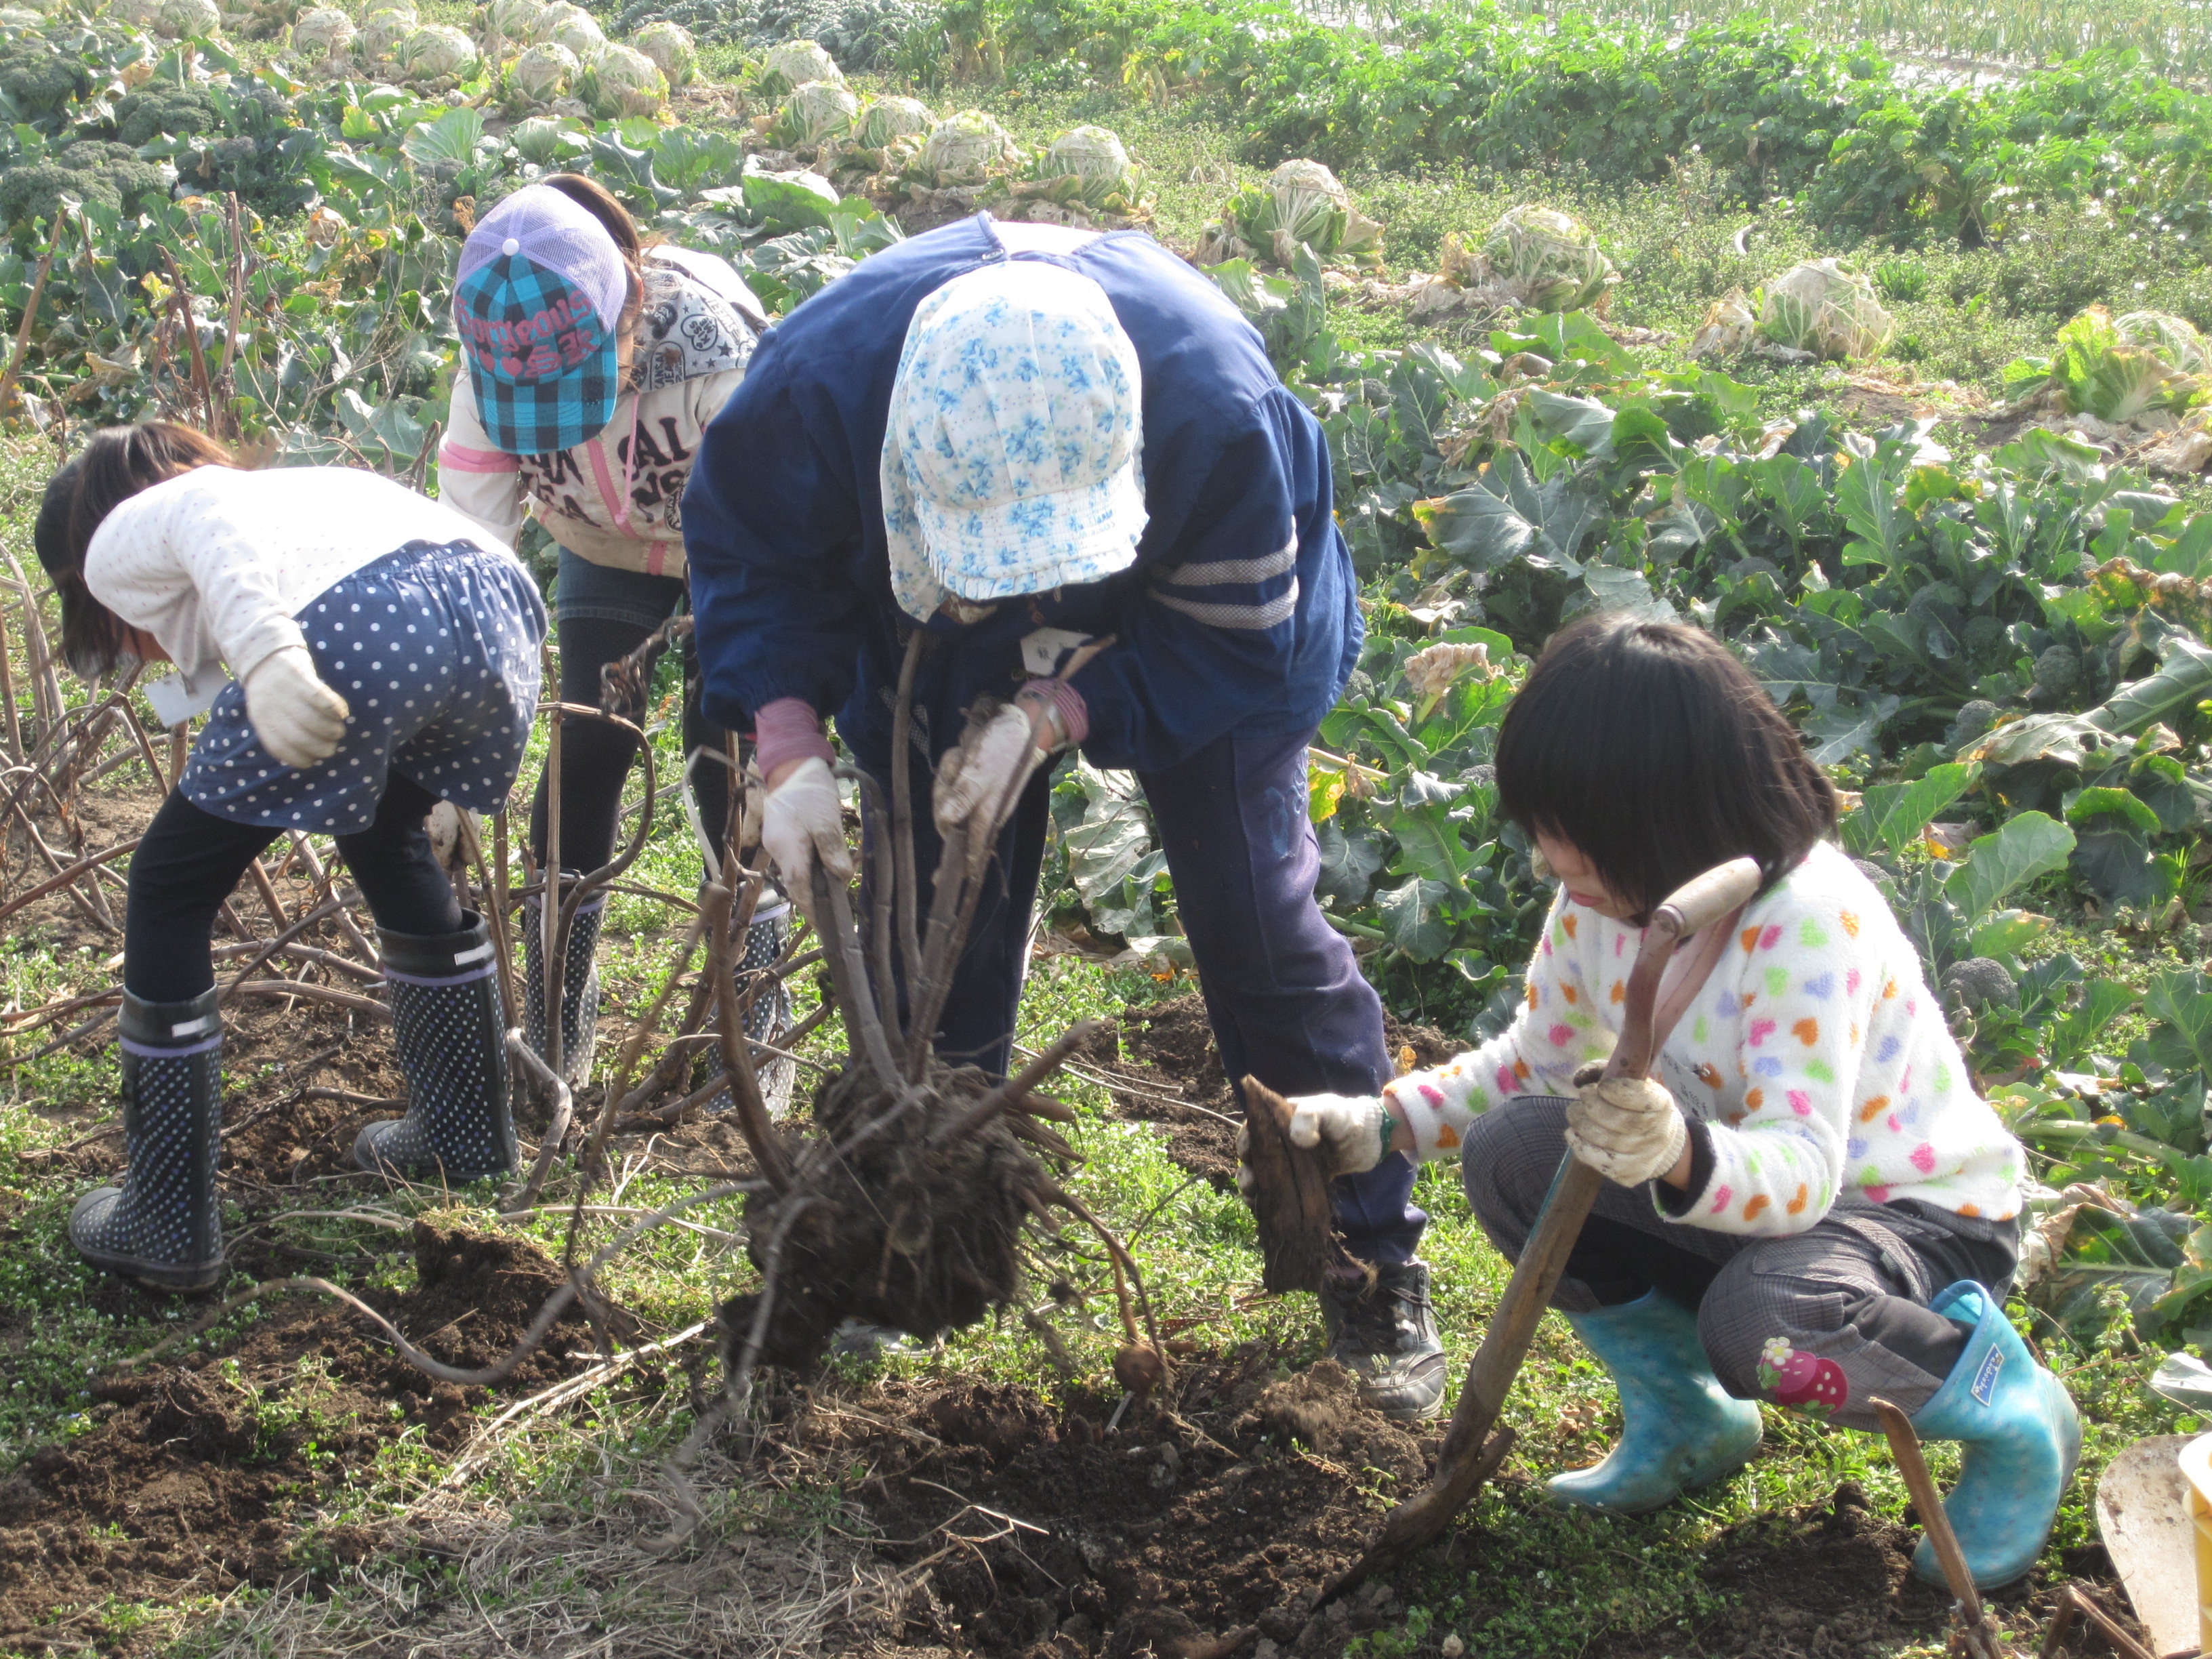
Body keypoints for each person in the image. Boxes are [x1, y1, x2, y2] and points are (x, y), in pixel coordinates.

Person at [682, 215, 1446, 1417]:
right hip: (920, 623)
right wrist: (785, 747)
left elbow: (1232, 642)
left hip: (1201, 630)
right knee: (934, 911)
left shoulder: (1211, 416)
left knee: (1252, 918)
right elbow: (751, 554)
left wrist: (1056, 710)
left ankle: (1364, 1252)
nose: (1021, 591)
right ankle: (917, 1221)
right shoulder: (820, 386)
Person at [1256, 614, 2077, 1588]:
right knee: (1516, 1153)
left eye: (1576, 846)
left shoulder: (1807, 927)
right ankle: (1686, 1413)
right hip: (1745, 1195)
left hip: (1912, 1217)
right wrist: (1382, 1125)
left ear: (1668, 821)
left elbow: (1807, 1173)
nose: (1552, 868)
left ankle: (2002, 1405)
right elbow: (1534, 1066)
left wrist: (1679, 1150)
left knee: (1762, 1324)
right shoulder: (1605, 904)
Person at [37, 422, 546, 1292]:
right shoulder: (300, 496)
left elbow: (201, 516)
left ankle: (163, 1223)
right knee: (385, 834)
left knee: (167, 886)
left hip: (361, 622)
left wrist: (273, 655)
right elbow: (203, 649)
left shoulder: (128, 531)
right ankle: (466, 1139)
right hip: (499, 611)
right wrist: (250, 664)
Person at [437, 176, 792, 1101]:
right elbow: (471, 556)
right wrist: (444, 761)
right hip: (597, 539)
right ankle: (561, 1016)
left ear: (628, 309)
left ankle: (751, 1034)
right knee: (585, 746)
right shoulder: (490, 363)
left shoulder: (720, 363)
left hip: (736, 547)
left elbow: (775, 551)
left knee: (731, 762)